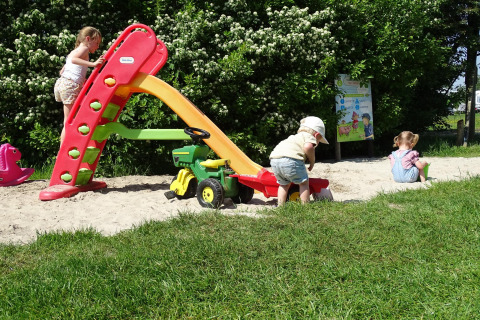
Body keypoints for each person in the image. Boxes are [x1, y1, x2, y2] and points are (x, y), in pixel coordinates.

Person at [54, 26, 105, 144]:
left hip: (63, 83)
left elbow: (63, 71)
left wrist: (82, 79)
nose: (97, 46)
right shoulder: (84, 49)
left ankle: (66, 144)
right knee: (69, 119)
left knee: (69, 117)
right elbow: (74, 60)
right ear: (88, 39)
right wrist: (93, 64)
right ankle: (64, 147)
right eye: (96, 43)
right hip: (70, 85)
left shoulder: (74, 51)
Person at [269, 116, 329, 206]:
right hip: (291, 160)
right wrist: (312, 161)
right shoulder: (309, 136)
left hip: (274, 159)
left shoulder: (294, 137)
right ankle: (305, 207)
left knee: (284, 184)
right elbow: (308, 147)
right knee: (304, 183)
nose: (318, 142)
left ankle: (280, 206)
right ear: (316, 135)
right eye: (319, 140)